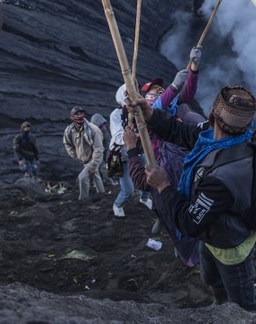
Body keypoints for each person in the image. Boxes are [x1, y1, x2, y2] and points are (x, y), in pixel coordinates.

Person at [136, 85, 256, 312]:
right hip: (212, 233)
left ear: (212, 114)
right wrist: (152, 115)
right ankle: (221, 305)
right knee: (210, 277)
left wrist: (163, 185)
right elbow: (184, 133)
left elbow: (190, 223)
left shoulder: (224, 176)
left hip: (230, 243)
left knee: (247, 304)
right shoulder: (229, 135)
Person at [123, 122, 200, 267]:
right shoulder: (179, 137)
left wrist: (131, 148)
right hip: (179, 206)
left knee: (185, 234)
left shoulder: (169, 155)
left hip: (177, 207)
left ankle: (193, 260)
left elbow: (143, 182)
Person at [109, 85, 153, 218]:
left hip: (139, 151)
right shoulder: (116, 115)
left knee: (149, 177)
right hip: (122, 155)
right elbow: (117, 137)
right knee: (128, 190)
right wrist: (134, 136)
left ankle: (144, 198)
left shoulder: (139, 112)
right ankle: (117, 204)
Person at [62, 106, 105, 200]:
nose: (79, 116)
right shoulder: (69, 130)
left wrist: (94, 164)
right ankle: (102, 196)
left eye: (81, 113)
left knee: (82, 178)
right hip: (84, 159)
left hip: (94, 158)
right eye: (76, 114)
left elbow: (98, 148)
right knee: (95, 175)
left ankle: (83, 200)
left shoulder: (93, 129)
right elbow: (67, 144)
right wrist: (76, 156)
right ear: (72, 117)